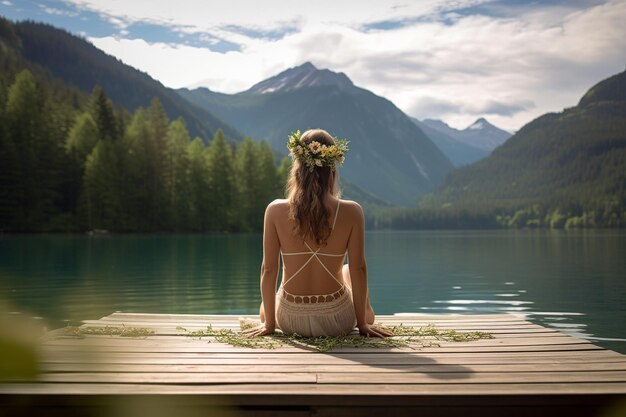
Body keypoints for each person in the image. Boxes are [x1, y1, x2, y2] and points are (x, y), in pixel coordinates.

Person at [243, 128, 393, 339]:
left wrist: (270, 324)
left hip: (288, 320)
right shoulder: (352, 211)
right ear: (332, 169)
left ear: (298, 167)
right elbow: (360, 268)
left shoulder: (275, 210)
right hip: (337, 322)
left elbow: (268, 270)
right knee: (350, 270)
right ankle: (365, 316)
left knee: (265, 305)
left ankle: (268, 317)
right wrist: (362, 325)